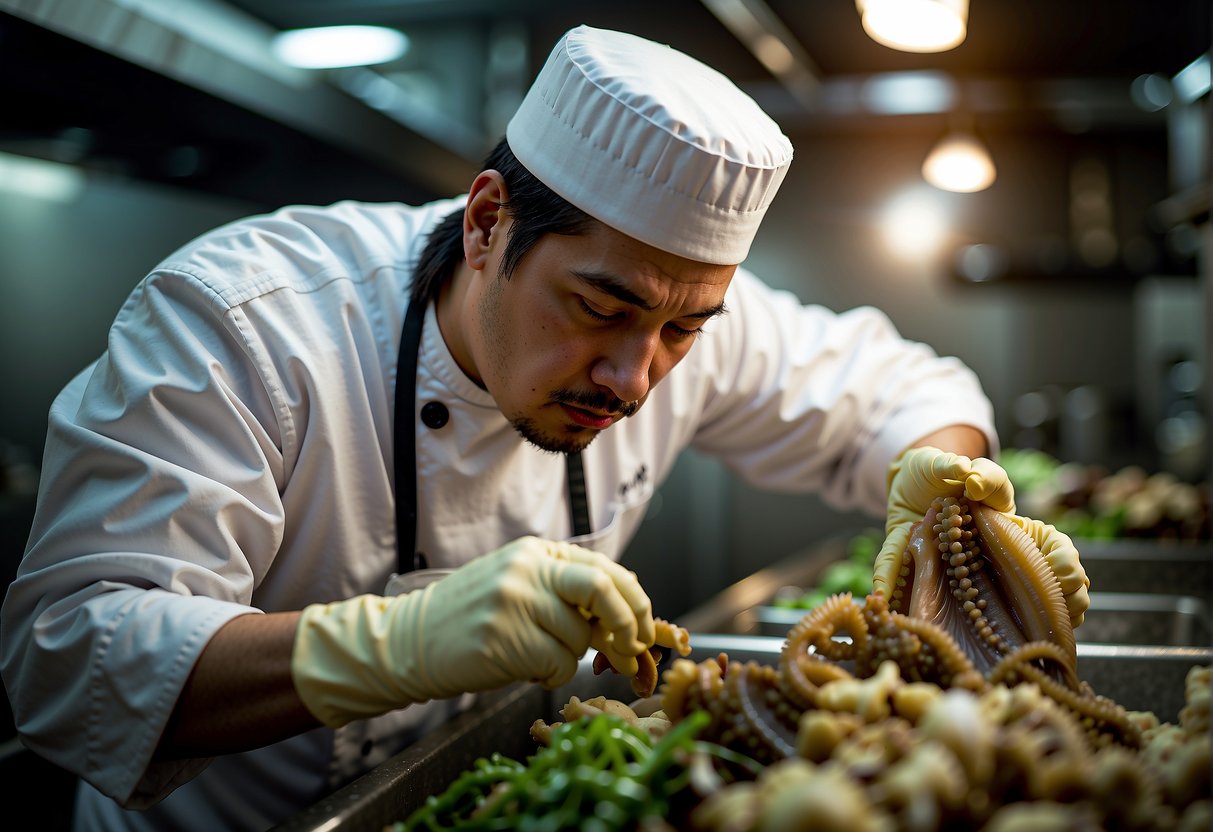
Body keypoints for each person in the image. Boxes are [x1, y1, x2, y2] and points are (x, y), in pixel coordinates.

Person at [0, 24, 1089, 832]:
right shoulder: (247, 326)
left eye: (683, 331)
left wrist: (944, 493)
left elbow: (904, 385)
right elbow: (69, 657)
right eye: (598, 310)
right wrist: (391, 644)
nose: (635, 375)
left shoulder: (675, 312)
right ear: (486, 224)